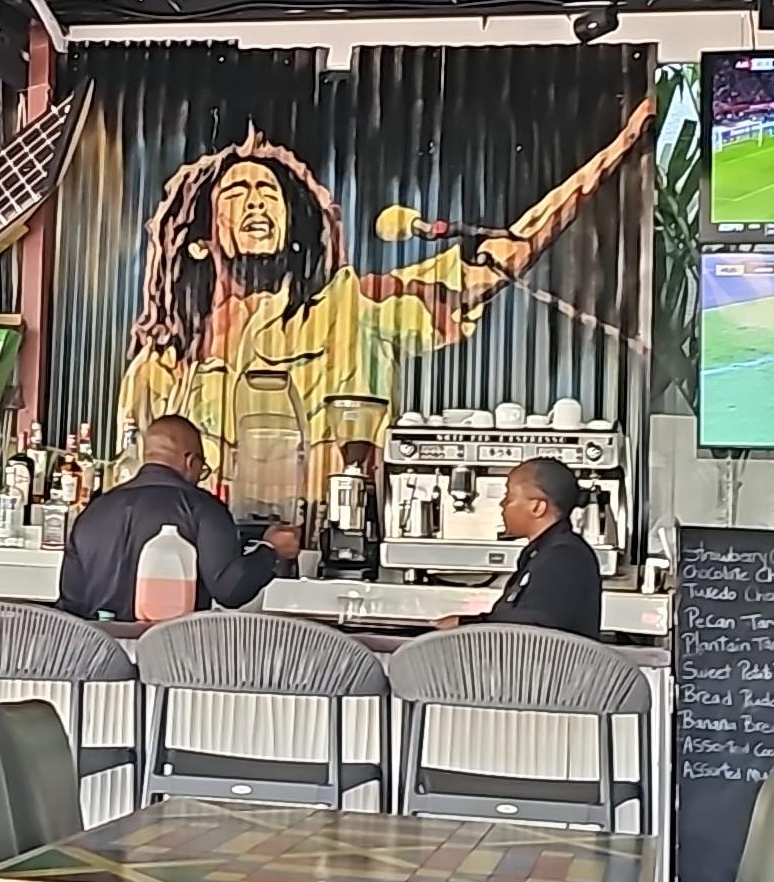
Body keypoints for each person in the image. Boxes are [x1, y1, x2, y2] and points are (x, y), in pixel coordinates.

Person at [113, 94, 656, 491]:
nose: (258, 202)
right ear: (199, 240)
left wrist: (618, 149)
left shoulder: (356, 307)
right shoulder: (160, 367)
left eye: (268, 192)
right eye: (237, 192)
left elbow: (500, 258)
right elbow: (126, 475)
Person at [57, 415, 300, 622]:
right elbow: (230, 590)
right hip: (171, 655)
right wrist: (271, 551)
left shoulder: (93, 512)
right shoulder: (203, 509)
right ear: (190, 461)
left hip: (101, 654)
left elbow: (71, 603)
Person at [448, 457, 605, 638]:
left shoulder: (565, 556)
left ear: (537, 507)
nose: (502, 505)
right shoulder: (544, 552)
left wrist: (467, 625)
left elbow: (530, 630)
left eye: (509, 497)